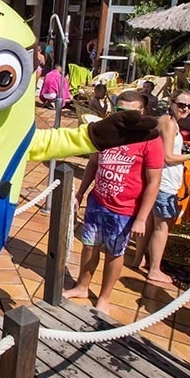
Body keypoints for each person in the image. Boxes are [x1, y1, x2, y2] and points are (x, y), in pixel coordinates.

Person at [64, 90, 163, 311]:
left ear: (142, 112)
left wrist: (141, 218)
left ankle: (104, 297)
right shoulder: (108, 131)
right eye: (120, 111)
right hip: (98, 201)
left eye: (133, 113)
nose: (126, 118)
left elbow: (154, 182)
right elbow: (92, 163)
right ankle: (82, 285)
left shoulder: (151, 138)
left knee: (114, 252)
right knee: (89, 246)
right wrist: (80, 194)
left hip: (124, 210)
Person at [131, 90, 190, 285]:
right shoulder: (168, 123)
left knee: (150, 223)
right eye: (182, 104)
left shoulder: (169, 121)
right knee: (162, 228)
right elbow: (167, 157)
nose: (186, 109)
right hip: (165, 182)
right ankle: (155, 269)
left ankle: (138, 259)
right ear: (172, 102)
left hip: (160, 180)